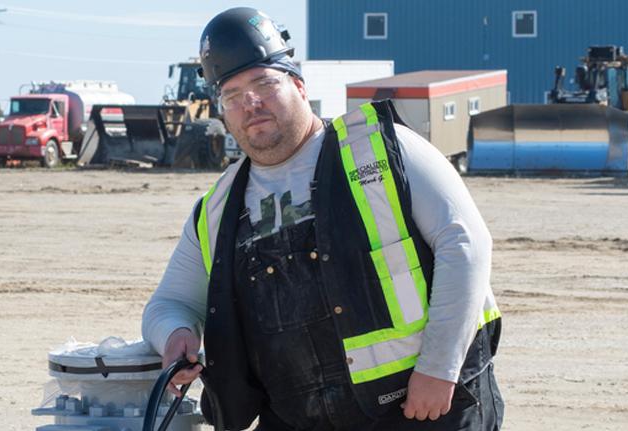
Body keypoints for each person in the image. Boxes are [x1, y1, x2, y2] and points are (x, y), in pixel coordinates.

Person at [142, 7, 503, 430]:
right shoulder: (218, 208)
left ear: (298, 84)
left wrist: (439, 369)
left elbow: (465, 245)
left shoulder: (383, 150)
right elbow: (168, 304)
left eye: (264, 83)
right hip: (301, 419)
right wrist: (176, 336)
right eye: (233, 94)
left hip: (423, 407)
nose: (250, 103)